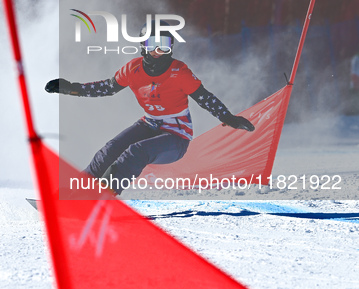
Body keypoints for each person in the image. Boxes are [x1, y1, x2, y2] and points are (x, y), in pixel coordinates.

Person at [45, 20, 255, 195]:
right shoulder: (133, 69)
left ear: (171, 47)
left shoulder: (179, 71)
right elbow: (107, 88)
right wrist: (70, 88)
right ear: (143, 45)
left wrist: (228, 117)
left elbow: (204, 97)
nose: (158, 51)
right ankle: (75, 193)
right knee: (110, 149)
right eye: (153, 43)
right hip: (149, 125)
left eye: (164, 45)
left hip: (177, 136)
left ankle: (102, 197)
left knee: (136, 152)